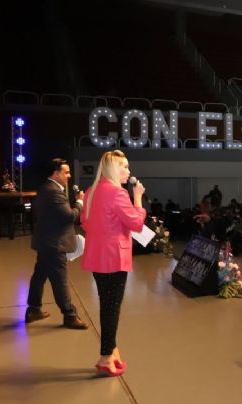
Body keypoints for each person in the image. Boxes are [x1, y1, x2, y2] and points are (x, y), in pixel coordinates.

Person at [81, 150, 146, 377]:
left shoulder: (90, 192)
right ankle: (105, 356)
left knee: (107, 305)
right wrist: (137, 198)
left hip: (97, 256)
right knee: (111, 308)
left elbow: (85, 222)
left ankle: (113, 350)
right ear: (113, 169)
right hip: (115, 257)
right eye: (124, 167)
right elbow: (137, 223)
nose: (128, 171)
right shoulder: (118, 194)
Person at [25, 158, 88, 330]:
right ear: (56, 173)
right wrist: (80, 203)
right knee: (60, 280)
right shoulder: (54, 191)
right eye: (66, 172)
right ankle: (69, 315)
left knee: (39, 276)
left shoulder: (47, 188)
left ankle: (33, 310)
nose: (69, 175)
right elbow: (69, 217)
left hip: (46, 241)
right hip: (54, 244)